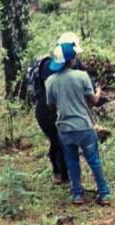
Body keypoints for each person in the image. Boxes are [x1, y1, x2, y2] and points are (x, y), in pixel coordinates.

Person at [46, 41, 111, 206]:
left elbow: (51, 106)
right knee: (94, 161)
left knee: (72, 162)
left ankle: (77, 195)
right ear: (71, 59)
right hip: (84, 126)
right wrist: (98, 92)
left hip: (65, 129)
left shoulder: (50, 81)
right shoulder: (82, 76)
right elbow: (92, 101)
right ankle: (104, 194)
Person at [33, 32, 86, 185]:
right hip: (52, 110)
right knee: (62, 142)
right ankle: (64, 176)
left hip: (45, 111)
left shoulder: (46, 64)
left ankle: (59, 173)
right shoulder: (55, 69)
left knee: (56, 141)